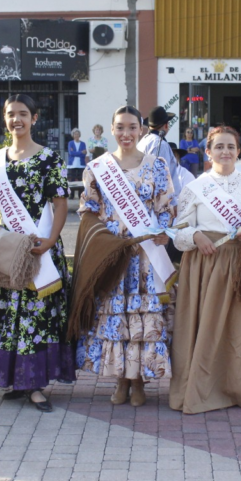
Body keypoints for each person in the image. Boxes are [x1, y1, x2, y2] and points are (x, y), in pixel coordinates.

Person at [0, 94, 76, 412]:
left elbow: (60, 203)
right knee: (7, 313)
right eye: (10, 114)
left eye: (22, 114)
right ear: (4, 119)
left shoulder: (49, 159)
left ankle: (35, 384)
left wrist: (50, 240)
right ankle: (14, 380)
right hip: (6, 253)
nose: (16, 119)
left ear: (34, 118)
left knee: (37, 315)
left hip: (39, 249)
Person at [169, 126, 241, 414]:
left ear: (238, 151)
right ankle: (204, 388)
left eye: (230, 147)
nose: (225, 152)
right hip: (205, 266)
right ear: (207, 152)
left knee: (240, 330)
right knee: (205, 327)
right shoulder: (195, 187)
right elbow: (179, 229)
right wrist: (196, 236)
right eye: (218, 147)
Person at [75, 105, 176, 407]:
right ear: (112, 129)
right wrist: (103, 239)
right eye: (120, 127)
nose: (126, 133)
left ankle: (139, 381)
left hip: (146, 258)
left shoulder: (157, 165)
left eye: (132, 127)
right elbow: (87, 211)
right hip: (114, 256)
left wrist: (163, 231)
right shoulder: (97, 168)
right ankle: (122, 379)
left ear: (142, 130)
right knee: (117, 319)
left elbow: (167, 207)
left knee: (142, 319)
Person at [138, 106, 181, 198]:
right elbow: (162, 178)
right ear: (166, 125)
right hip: (160, 202)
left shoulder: (143, 141)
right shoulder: (161, 144)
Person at [67, 128, 88, 199]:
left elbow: (84, 154)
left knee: (80, 180)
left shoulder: (83, 143)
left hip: (81, 164)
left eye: (78, 134)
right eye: (75, 134)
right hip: (72, 165)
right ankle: (72, 194)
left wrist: (78, 153)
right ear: (73, 135)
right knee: (72, 180)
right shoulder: (70, 143)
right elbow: (71, 153)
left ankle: (80, 195)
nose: (76, 135)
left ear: (79, 135)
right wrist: (80, 152)